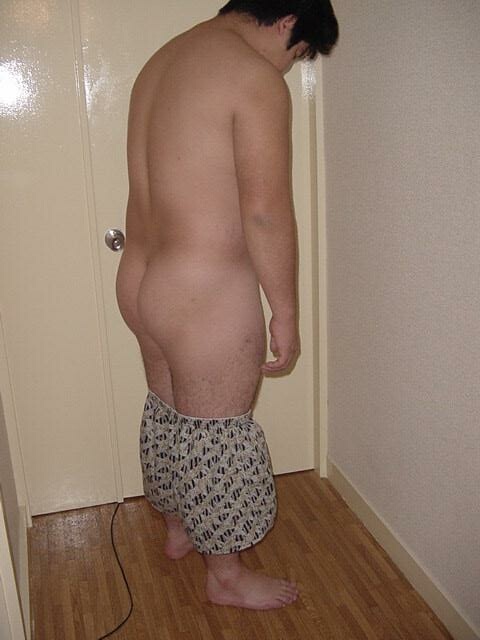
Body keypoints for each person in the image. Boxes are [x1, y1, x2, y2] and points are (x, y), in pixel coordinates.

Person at [115, 0, 338, 611]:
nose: (288, 67)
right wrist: (285, 311)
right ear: (289, 21)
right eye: (297, 54)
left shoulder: (163, 59)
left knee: (170, 413)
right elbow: (265, 212)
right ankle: (226, 575)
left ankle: (179, 528)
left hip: (140, 277)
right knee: (217, 436)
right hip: (202, 290)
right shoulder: (250, 76)